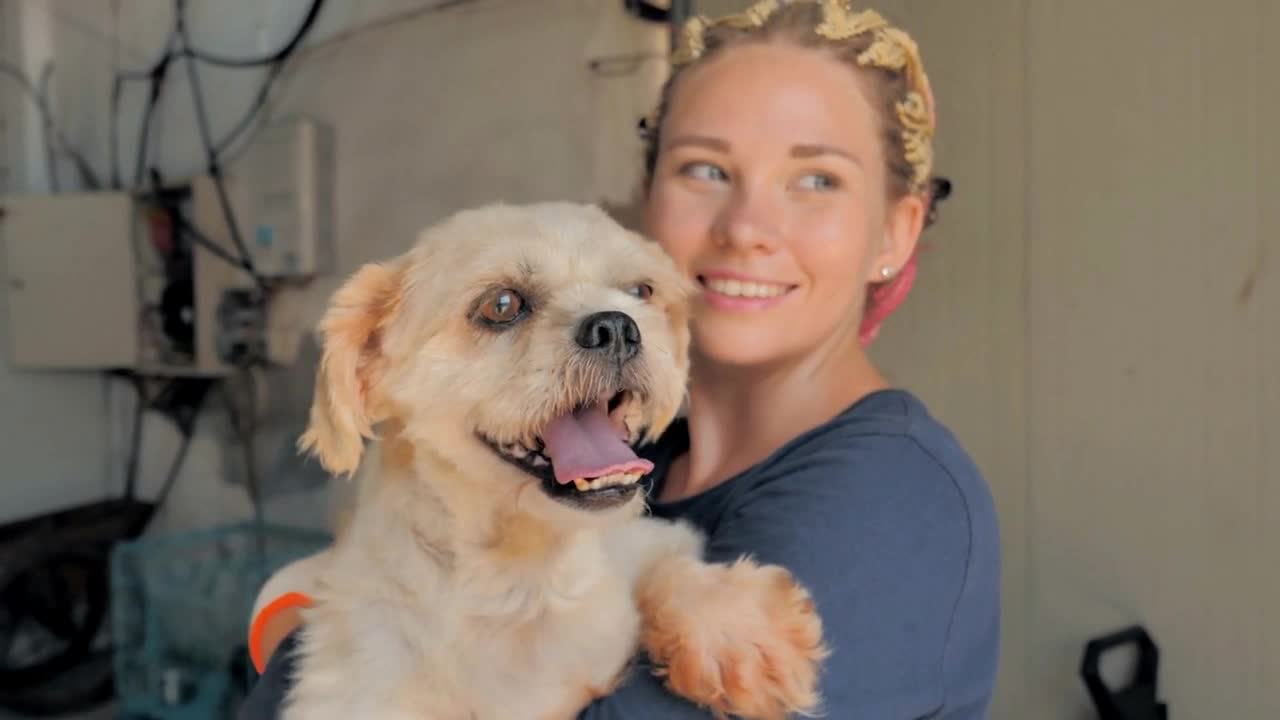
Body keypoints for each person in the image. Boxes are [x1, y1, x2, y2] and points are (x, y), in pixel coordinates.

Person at [239, 1, 1000, 717]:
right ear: (648, 195)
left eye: (816, 179)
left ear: (896, 232)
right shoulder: (619, 452)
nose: (746, 226)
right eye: (705, 168)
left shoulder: (891, 506)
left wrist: (292, 624)